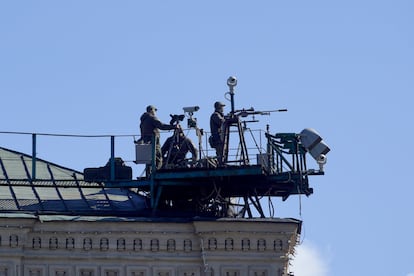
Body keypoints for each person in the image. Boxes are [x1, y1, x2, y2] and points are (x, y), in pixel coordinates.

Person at [139, 105, 177, 170]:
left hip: (146, 143)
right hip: (154, 143)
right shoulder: (152, 118)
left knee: (149, 161)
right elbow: (162, 126)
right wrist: (174, 127)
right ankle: (157, 172)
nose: (155, 112)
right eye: (154, 110)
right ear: (151, 110)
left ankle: (149, 174)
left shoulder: (143, 121)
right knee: (158, 158)